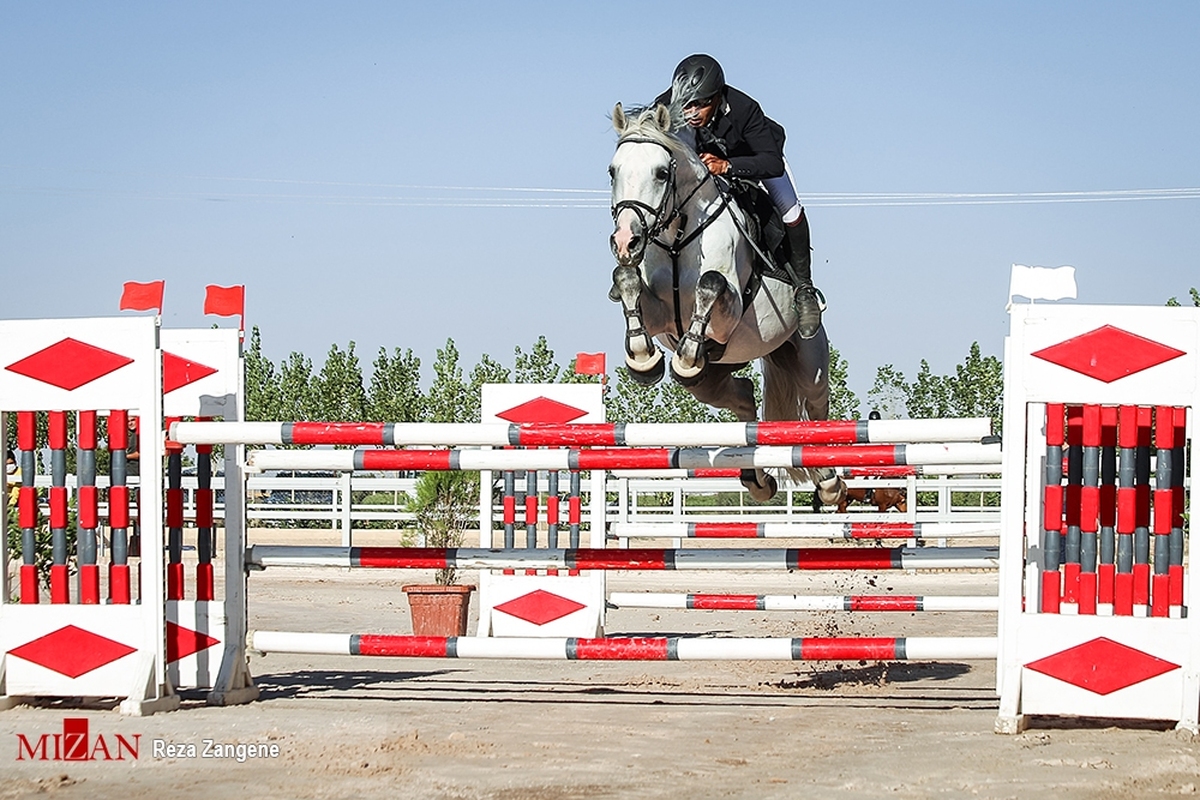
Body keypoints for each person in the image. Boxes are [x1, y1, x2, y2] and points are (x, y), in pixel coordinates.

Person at [656, 54, 824, 339]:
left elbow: (772, 163)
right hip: (701, 167)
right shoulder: (666, 104)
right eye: (685, 104)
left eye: (700, 104)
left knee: (789, 210)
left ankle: (804, 289)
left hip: (753, 159)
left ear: (717, 97)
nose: (690, 112)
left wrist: (728, 166)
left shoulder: (745, 109)